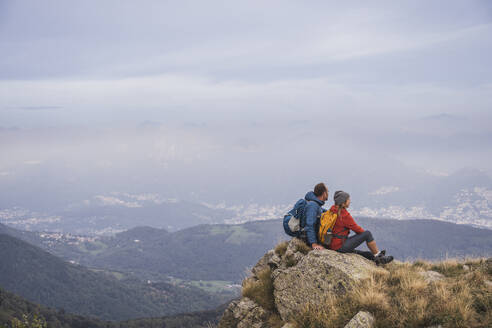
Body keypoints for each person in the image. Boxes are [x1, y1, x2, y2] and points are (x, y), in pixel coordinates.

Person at [328, 190, 393, 265]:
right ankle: (379, 257)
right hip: (339, 246)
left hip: (333, 244)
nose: (350, 201)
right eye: (348, 200)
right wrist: (364, 235)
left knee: (365, 254)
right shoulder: (343, 215)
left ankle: (376, 258)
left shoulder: (332, 210)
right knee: (367, 234)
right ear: (343, 203)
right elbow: (358, 230)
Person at [304, 183, 328, 250]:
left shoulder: (316, 205)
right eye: (327, 191)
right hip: (307, 238)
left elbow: (323, 211)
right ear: (324, 193)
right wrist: (314, 244)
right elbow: (310, 224)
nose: (328, 193)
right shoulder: (313, 205)